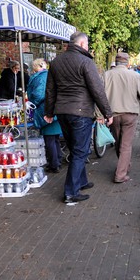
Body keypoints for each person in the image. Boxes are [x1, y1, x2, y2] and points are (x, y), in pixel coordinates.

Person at [45, 32, 113, 204]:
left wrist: (49, 112)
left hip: (62, 112)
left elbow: (50, 90)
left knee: (75, 148)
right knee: (80, 151)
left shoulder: (56, 62)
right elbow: (97, 90)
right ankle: (70, 192)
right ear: (82, 44)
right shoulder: (85, 61)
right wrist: (108, 113)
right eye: (87, 44)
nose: (88, 47)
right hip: (81, 112)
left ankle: (81, 181)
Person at [103, 52, 140, 183]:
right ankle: (120, 174)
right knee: (126, 145)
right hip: (130, 114)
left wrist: (100, 114)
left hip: (112, 115)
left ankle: (124, 167)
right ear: (128, 63)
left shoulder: (106, 75)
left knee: (119, 143)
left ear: (116, 62)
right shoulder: (135, 76)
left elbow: (100, 95)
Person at [27, 58, 62, 173]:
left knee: (50, 139)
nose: (33, 69)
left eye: (34, 67)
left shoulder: (41, 77)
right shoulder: (50, 74)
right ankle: (58, 161)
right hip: (55, 109)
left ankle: (53, 164)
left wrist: (31, 103)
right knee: (55, 138)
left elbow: (39, 94)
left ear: (37, 66)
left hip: (45, 110)